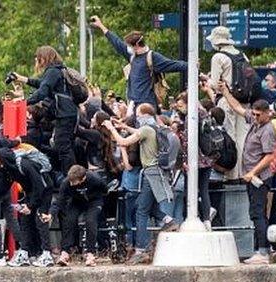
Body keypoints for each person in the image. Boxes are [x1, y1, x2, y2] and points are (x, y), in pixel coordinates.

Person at [104, 104, 179, 264]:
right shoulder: (155, 127)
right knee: (143, 205)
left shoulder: (146, 130)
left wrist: (111, 128)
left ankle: (141, 250)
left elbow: (122, 141)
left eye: (138, 115)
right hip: (157, 172)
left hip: (150, 174)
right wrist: (124, 126)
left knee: (141, 211)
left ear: (144, 115)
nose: (136, 118)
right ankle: (167, 221)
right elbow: (139, 133)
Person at [219, 84, 276, 265]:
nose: (256, 117)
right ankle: (260, 249)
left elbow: (269, 156)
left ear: (267, 113)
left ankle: (263, 251)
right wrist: (225, 92)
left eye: (259, 115)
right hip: (250, 176)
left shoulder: (267, 130)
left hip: (258, 177)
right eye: (255, 114)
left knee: (257, 212)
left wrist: (252, 172)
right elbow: (237, 108)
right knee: (255, 213)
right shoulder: (255, 121)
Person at [91, 16, 187, 112]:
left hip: (146, 105)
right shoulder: (132, 56)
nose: (128, 48)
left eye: (129, 46)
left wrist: (191, 66)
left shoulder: (152, 57)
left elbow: (173, 65)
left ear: (136, 45)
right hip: (133, 105)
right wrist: (101, 26)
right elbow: (117, 42)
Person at [13, 46, 79, 173]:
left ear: (43, 58)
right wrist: (22, 79)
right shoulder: (57, 70)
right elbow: (42, 84)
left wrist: (23, 102)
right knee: (63, 145)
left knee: (63, 146)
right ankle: (71, 175)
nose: (37, 61)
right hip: (67, 112)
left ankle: (71, 178)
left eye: (38, 58)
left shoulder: (53, 71)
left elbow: (43, 91)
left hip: (64, 113)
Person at [207, 26, 250, 180]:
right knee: (242, 137)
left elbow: (214, 84)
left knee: (228, 137)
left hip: (226, 99)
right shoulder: (242, 55)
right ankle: (242, 173)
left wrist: (207, 80)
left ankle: (230, 175)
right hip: (243, 100)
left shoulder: (218, 57)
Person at [51, 165, 108, 267]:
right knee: (69, 219)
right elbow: (60, 200)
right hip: (77, 201)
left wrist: (99, 202)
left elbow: (105, 189)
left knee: (90, 220)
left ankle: (90, 253)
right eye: (70, 181)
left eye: (74, 182)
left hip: (94, 201)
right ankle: (65, 252)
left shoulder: (94, 179)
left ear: (83, 179)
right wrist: (51, 213)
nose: (71, 184)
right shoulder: (67, 182)